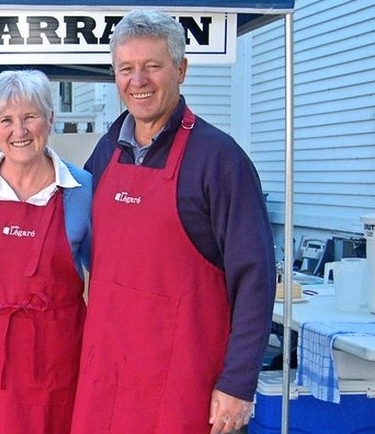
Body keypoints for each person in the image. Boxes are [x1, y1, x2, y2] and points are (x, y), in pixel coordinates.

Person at [70, 10, 276, 434]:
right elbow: (69, 240)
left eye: (152, 66)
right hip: (108, 373)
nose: (138, 80)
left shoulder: (220, 160)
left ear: (180, 69)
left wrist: (238, 384)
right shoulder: (106, 152)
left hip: (185, 382)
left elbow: (255, 278)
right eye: (126, 68)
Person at [0, 70, 91, 433]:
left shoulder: (83, 188)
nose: (20, 130)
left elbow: (106, 273)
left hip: (55, 354)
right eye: (6, 120)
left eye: (30, 116)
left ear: (50, 118)